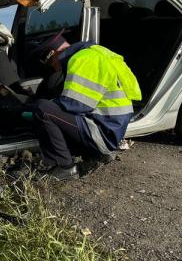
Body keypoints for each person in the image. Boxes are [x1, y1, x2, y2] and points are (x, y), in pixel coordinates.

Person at [31, 31, 142, 180]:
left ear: (53, 53)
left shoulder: (81, 59)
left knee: (42, 109)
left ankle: (65, 167)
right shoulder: (95, 53)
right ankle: (92, 155)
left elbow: (75, 105)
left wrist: (35, 108)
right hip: (111, 127)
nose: (55, 68)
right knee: (52, 112)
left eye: (51, 62)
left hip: (102, 132)